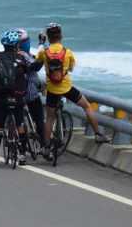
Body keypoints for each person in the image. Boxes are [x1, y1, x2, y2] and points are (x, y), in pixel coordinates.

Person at [35, 22, 110, 153]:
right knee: (87, 106)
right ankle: (98, 134)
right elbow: (71, 68)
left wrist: (41, 43)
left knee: (50, 118)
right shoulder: (67, 52)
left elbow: (37, 60)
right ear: (61, 36)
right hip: (66, 88)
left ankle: (46, 147)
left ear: (48, 37)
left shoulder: (44, 52)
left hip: (52, 90)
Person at [0, 29, 31, 167]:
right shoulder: (22, 58)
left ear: (3, 44)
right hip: (18, 96)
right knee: (20, 125)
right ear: (17, 45)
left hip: (1, 97)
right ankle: (22, 156)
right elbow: (27, 78)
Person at [16, 28, 47, 153]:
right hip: (29, 93)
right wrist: (42, 46)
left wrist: (41, 45)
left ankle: (21, 150)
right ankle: (45, 147)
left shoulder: (10, 55)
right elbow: (36, 64)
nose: (27, 42)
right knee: (39, 118)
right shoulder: (23, 55)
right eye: (25, 40)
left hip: (14, 93)